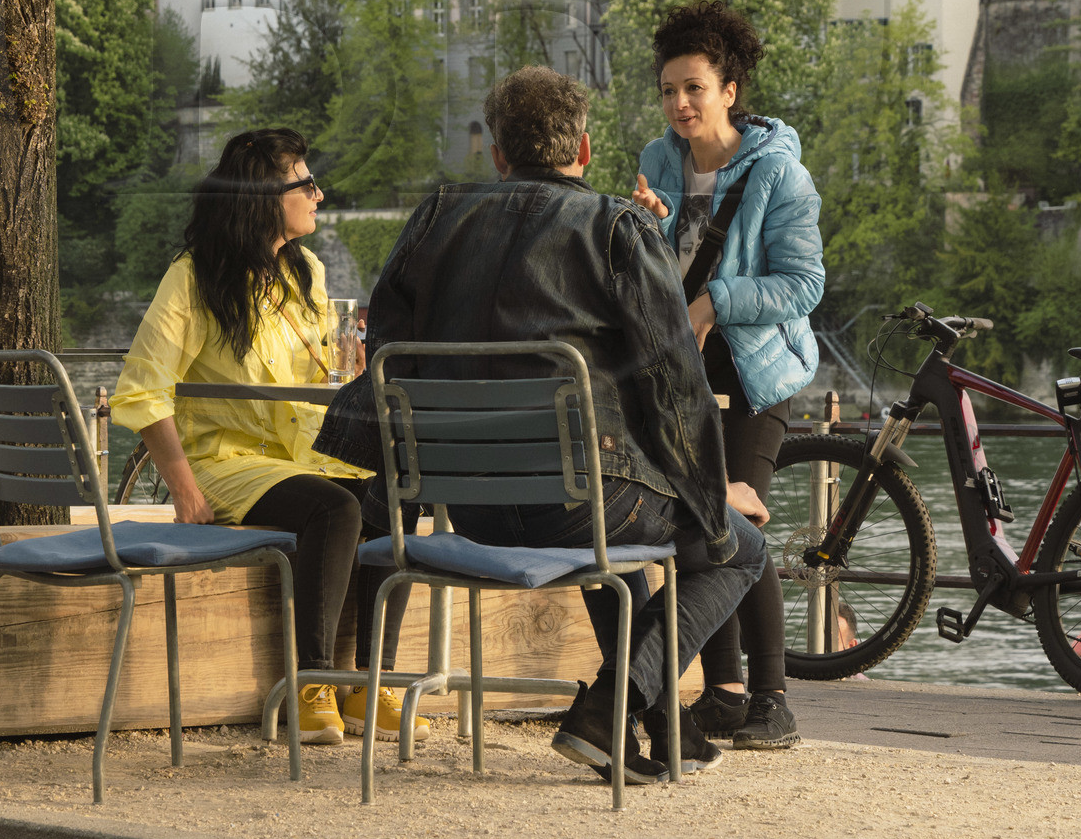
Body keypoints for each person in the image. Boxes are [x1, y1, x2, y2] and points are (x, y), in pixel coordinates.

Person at [316, 66, 769, 783]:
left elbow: (387, 359)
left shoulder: (434, 218)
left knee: (616, 522)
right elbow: (675, 386)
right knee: (736, 550)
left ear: (497, 153)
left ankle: (654, 717)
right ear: (585, 150)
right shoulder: (619, 226)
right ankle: (606, 709)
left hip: (465, 509)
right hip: (578, 507)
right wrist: (712, 500)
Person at [110, 129, 416, 748]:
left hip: (300, 456)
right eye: (306, 183)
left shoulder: (306, 272)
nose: (319, 194)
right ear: (263, 196)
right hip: (224, 463)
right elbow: (143, 389)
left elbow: (320, 376)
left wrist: (351, 372)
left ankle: (364, 678)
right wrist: (186, 492)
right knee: (335, 508)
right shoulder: (194, 277)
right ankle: (310, 684)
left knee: (394, 495)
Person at [632, 0, 824, 750]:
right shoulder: (657, 160)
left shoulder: (781, 174)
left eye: (695, 89)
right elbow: (651, 271)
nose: (680, 104)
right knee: (693, 523)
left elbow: (802, 285)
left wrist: (716, 301)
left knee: (734, 525)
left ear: (730, 89)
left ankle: (772, 699)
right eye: (670, 90)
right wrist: (645, 227)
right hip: (677, 373)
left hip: (754, 374)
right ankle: (724, 692)